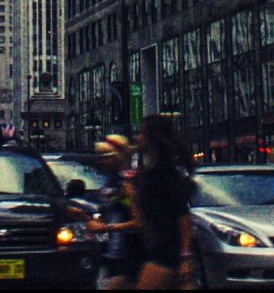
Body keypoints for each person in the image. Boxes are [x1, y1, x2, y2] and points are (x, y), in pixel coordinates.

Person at [131, 115, 194, 290]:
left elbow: (183, 216)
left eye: (141, 133)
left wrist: (185, 257)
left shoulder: (161, 174)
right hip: (160, 248)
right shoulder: (155, 171)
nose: (137, 138)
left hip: (166, 250)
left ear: (152, 137)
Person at [74, 134, 143, 291]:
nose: (102, 161)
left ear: (118, 158)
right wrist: (84, 217)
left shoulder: (127, 185)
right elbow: (111, 217)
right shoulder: (110, 182)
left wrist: (107, 228)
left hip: (131, 256)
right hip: (114, 256)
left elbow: (138, 223)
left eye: (107, 157)